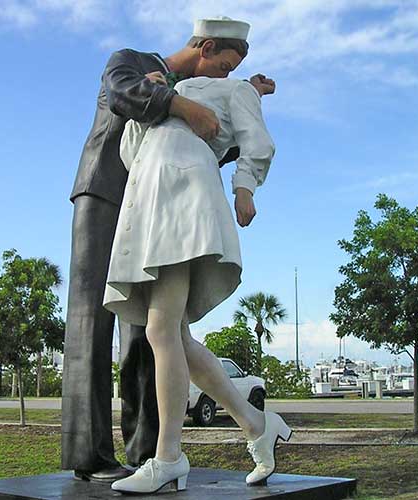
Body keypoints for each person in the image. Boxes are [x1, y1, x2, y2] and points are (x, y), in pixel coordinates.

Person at [61, 16, 275, 483]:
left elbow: (213, 141)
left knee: (153, 332)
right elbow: (125, 96)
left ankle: (148, 451)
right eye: (223, 64)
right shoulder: (133, 62)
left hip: (169, 200)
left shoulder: (205, 91)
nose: (224, 74)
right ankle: (90, 452)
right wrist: (176, 99)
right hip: (108, 194)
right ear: (205, 45)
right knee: (93, 318)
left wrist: (245, 98)